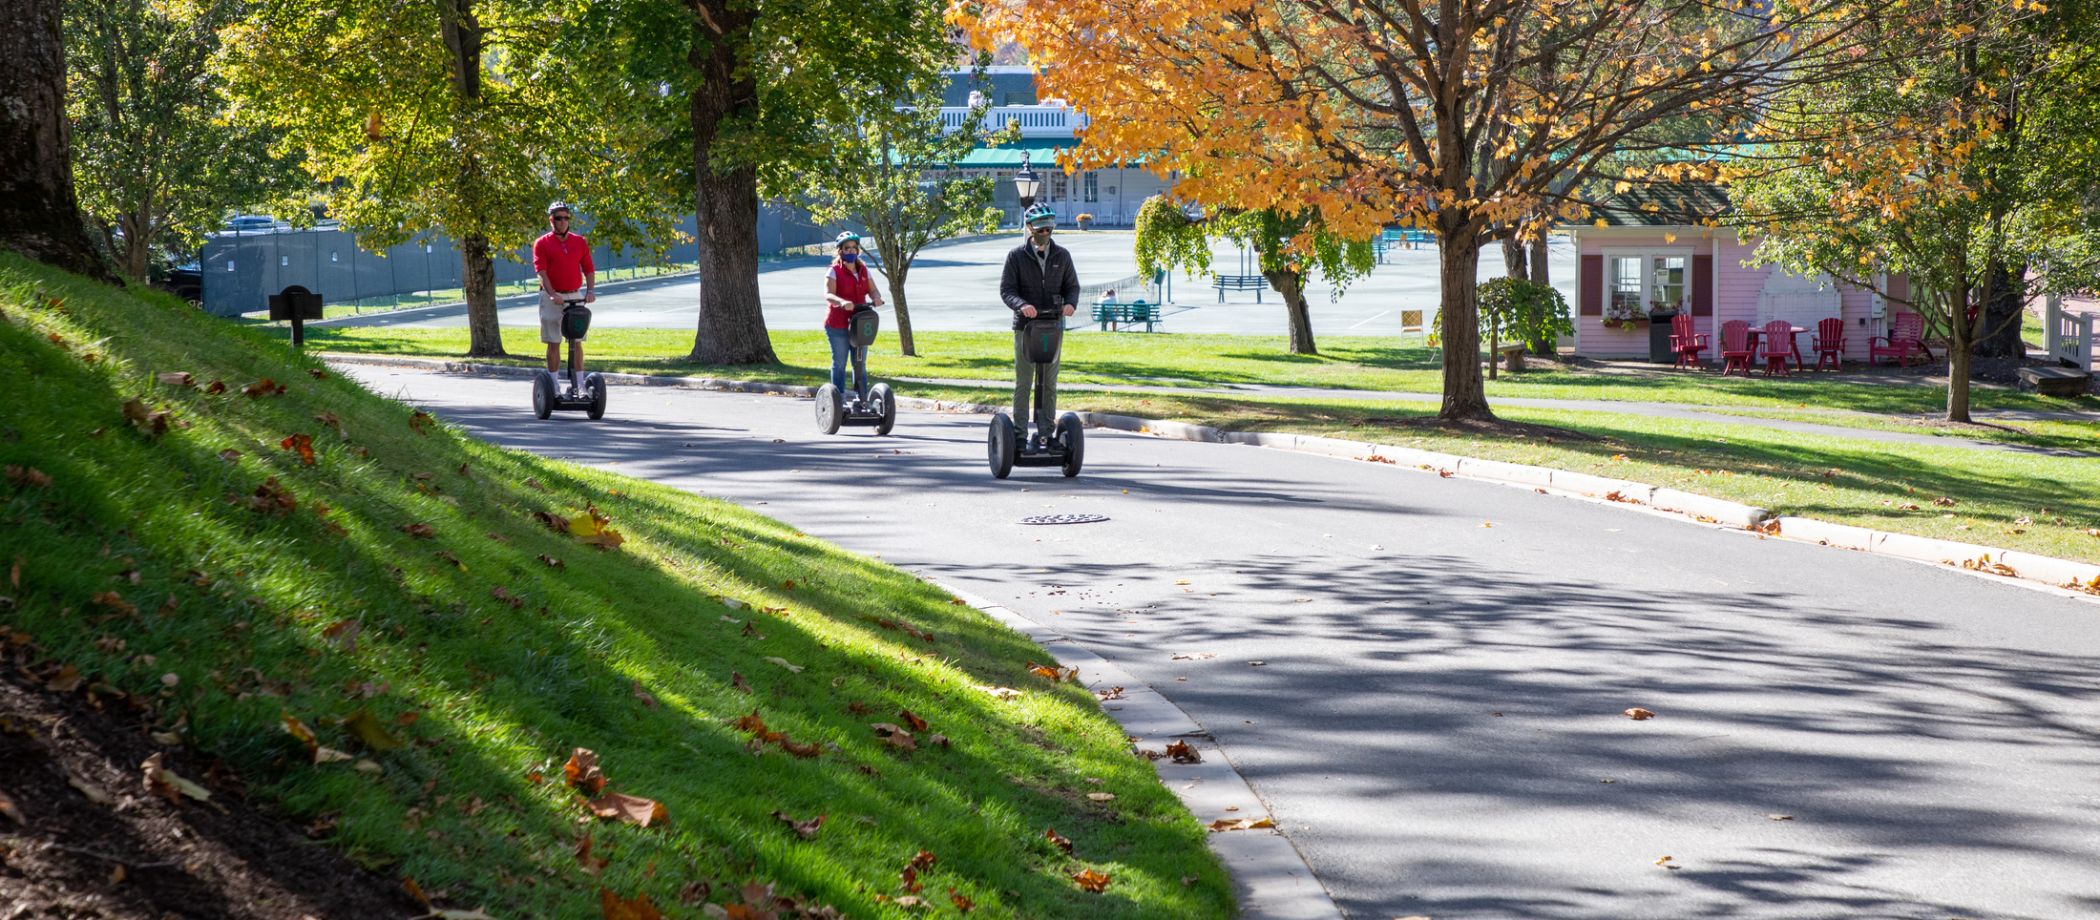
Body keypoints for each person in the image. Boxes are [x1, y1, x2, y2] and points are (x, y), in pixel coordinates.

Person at [998, 204, 1080, 446]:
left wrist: (1070, 304)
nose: (1046, 230)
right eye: (1042, 226)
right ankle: (1020, 434)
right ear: (1030, 227)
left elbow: (1072, 286)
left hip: (1053, 326)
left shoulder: (1062, 255)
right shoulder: (1016, 256)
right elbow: (1007, 290)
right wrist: (1022, 305)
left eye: (1050, 225)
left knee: (1049, 383)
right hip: (1026, 328)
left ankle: (1046, 432)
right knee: (1024, 382)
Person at [533, 201, 595, 392]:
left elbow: (589, 269)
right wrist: (552, 294)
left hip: (574, 296)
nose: (562, 222)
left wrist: (590, 291)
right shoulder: (542, 243)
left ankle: (580, 384)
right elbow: (541, 272)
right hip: (552, 297)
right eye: (558, 218)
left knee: (576, 341)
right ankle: (553, 384)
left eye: (565, 218)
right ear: (551, 220)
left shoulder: (579, 242)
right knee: (554, 341)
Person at [823, 231, 882, 398]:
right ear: (840, 251)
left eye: (854, 248)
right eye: (847, 248)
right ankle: (837, 398)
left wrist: (876, 298)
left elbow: (873, 290)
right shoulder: (834, 271)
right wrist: (841, 302)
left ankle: (862, 399)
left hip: (859, 323)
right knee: (840, 363)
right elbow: (828, 294)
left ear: (858, 250)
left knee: (859, 363)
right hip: (837, 324)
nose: (851, 251)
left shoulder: (863, 270)